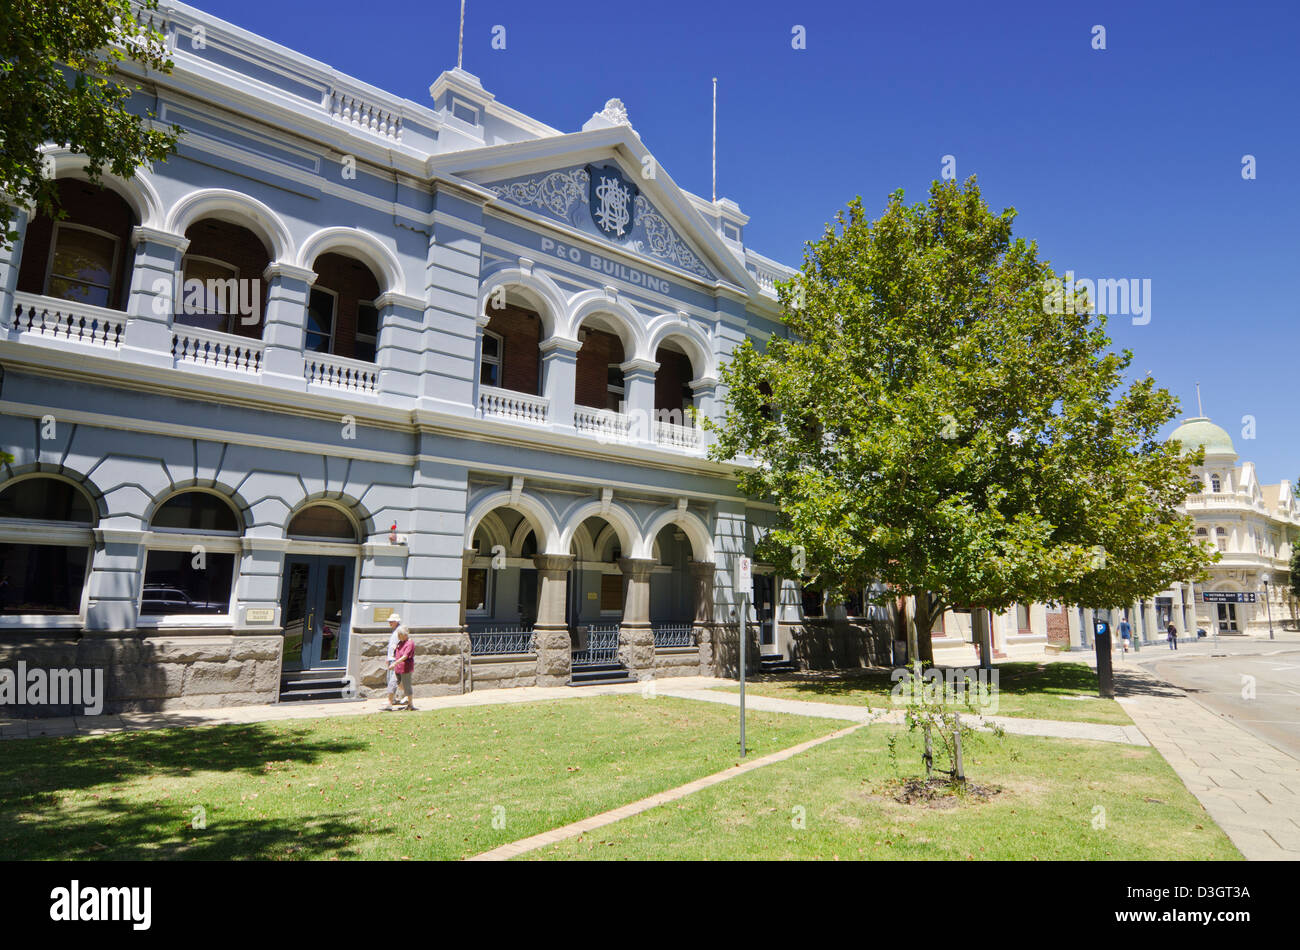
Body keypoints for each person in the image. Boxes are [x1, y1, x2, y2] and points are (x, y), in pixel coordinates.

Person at [383, 613, 405, 710]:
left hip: (395, 659)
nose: (389, 623)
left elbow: (400, 646)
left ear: (396, 621)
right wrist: (388, 658)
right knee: (392, 680)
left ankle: (393, 699)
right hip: (391, 658)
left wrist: (395, 659)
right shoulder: (395, 631)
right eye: (389, 621)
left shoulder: (399, 631)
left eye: (391, 621)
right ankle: (398, 697)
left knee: (393, 680)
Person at [391, 626, 416, 711]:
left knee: (407, 686)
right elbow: (398, 652)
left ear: (404, 635)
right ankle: (407, 696)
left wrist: (395, 663)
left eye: (399, 635)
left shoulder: (410, 643)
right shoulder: (401, 642)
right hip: (398, 667)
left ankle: (410, 704)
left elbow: (405, 656)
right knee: (398, 683)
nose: (398, 637)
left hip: (405, 668)